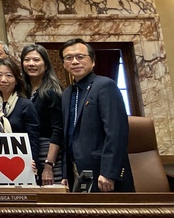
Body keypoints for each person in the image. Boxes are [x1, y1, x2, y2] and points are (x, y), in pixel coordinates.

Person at [60, 38, 134, 192]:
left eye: (80, 57)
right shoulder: (67, 93)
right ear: (64, 64)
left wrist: (109, 172)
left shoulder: (105, 85)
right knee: (84, 213)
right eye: (69, 58)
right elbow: (68, 136)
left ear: (93, 61)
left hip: (103, 172)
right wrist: (65, 173)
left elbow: (116, 132)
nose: (74, 61)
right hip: (79, 171)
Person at [0, 57, 41, 170]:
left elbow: (33, 140)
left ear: (16, 79)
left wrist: (33, 164)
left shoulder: (26, 105)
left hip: (21, 164)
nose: (3, 80)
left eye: (9, 76)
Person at [21, 43, 63, 185]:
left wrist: (48, 165)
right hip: (29, 150)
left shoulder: (52, 91)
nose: (31, 64)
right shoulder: (22, 90)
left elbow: (58, 130)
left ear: (45, 65)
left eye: (36, 60)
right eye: (27, 60)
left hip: (48, 152)